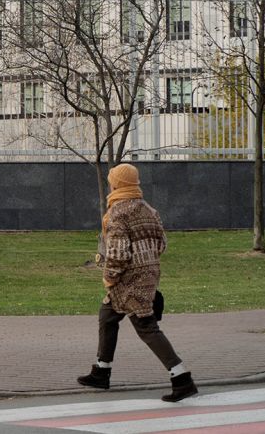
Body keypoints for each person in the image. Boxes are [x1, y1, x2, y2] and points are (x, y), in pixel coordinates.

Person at [77, 163, 198, 402]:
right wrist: (147, 260)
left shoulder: (117, 213)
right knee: (107, 315)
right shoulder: (148, 209)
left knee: (147, 327)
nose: (110, 183)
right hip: (149, 275)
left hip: (128, 281)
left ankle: (182, 379)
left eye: (112, 180)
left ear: (116, 184)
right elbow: (162, 244)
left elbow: (118, 254)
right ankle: (102, 371)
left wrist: (109, 276)